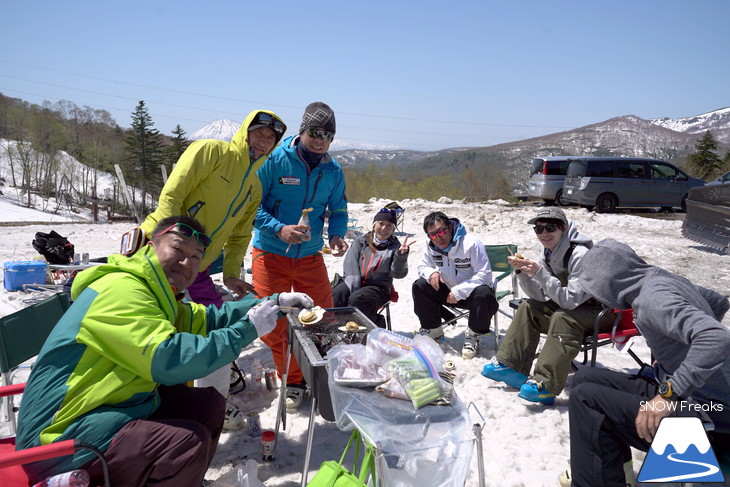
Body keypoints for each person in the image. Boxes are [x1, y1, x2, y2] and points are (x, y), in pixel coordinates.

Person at [15, 216, 313, 487]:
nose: (186, 263)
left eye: (195, 257)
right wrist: (247, 330)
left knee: (208, 405)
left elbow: (206, 320)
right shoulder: (121, 290)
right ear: (152, 246)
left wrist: (272, 301)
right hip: (59, 439)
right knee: (185, 444)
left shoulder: (159, 294)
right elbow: (170, 358)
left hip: (112, 409)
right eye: (178, 251)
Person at [135, 109, 287, 428]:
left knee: (212, 330)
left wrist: (232, 273)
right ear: (245, 131)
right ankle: (146, 402)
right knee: (151, 327)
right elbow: (172, 196)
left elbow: (241, 234)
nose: (262, 140)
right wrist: (168, 245)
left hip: (198, 266)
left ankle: (211, 404)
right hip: (156, 251)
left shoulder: (254, 187)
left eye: (270, 138)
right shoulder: (211, 152)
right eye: (258, 132)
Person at [560, 238, 730, 487]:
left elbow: (716, 337)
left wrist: (669, 395)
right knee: (586, 378)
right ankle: (616, 470)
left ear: (607, 284)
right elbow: (718, 302)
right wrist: (679, 350)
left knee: (587, 400)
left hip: (713, 417)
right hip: (700, 397)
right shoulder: (660, 280)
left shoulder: (652, 300)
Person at [252, 101, 349, 411]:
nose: (320, 139)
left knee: (324, 318)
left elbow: (339, 209)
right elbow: (251, 205)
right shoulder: (274, 160)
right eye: (315, 132)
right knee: (274, 321)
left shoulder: (333, 170)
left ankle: (319, 371)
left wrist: (336, 233)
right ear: (302, 130)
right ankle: (292, 378)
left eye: (328, 135)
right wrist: (278, 229)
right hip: (270, 252)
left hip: (309, 256)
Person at [481, 207, 613, 404]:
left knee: (562, 316)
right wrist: (524, 274)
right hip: (573, 308)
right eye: (539, 229)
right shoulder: (549, 252)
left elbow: (570, 301)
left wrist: (540, 273)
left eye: (550, 227)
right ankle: (511, 366)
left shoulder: (580, 255)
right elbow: (540, 296)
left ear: (564, 228)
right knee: (529, 307)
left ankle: (546, 384)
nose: (544, 234)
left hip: (602, 313)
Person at [412, 211, 498, 359]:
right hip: (448, 292)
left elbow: (485, 275)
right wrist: (431, 272)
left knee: (484, 293)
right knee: (420, 285)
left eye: (441, 231)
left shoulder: (470, 243)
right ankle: (434, 332)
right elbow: (422, 266)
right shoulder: (430, 245)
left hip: (473, 295)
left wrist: (459, 291)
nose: (438, 237)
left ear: (450, 226)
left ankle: (473, 335)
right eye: (432, 235)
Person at [332, 207, 413, 327]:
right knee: (337, 293)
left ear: (393, 229)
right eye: (381, 223)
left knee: (358, 298)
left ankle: (372, 325)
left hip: (378, 287)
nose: (384, 228)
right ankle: (336, 326)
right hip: (354, 281)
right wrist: (354, 284)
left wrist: (401, 255)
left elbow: (398, 274)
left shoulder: (396, 246)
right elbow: (350, 263)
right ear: (374, 225)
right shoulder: (361, 241)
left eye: (389, 225)